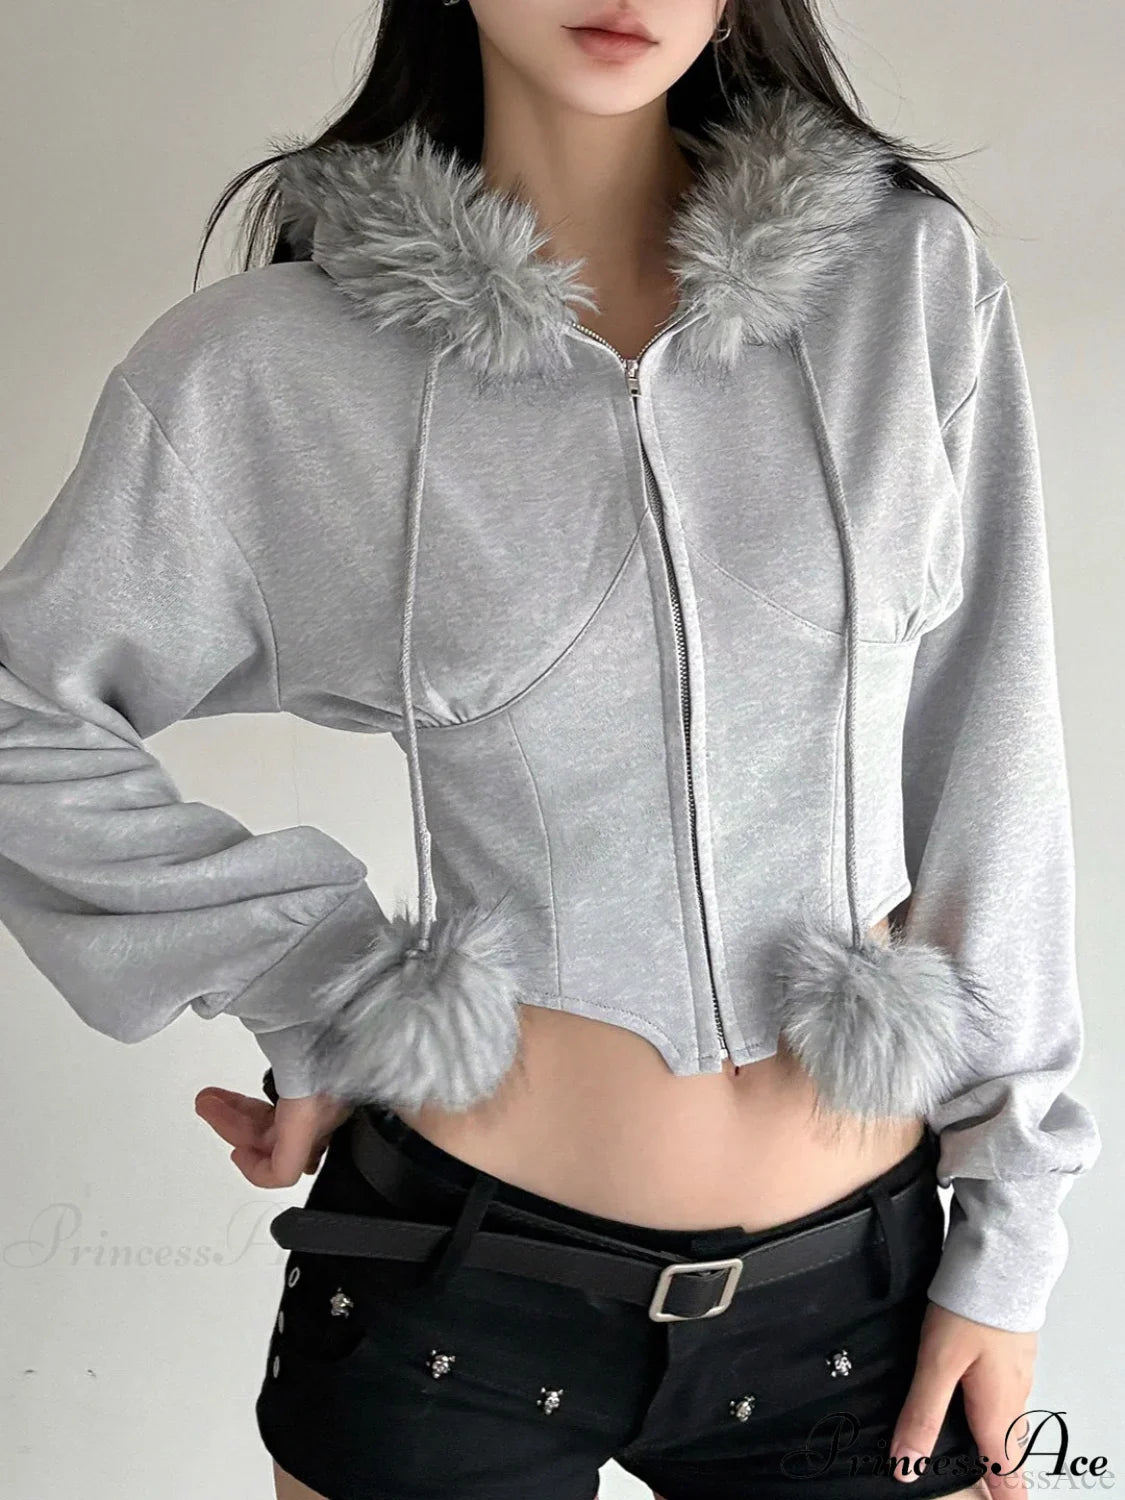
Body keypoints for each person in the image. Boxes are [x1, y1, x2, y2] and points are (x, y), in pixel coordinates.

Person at [0, 2, 1101, 1498]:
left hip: (860, 1312)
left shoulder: (902, 287)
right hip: (446, 1300)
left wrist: (1012, 1239)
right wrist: (316, 981)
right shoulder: (271, 367)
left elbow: (996, 759)